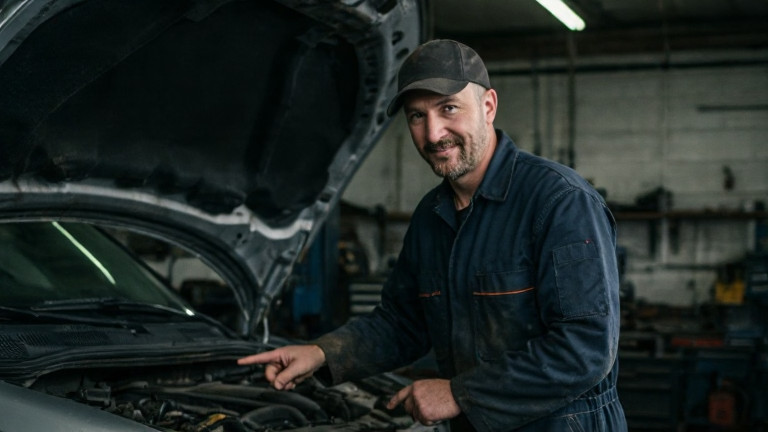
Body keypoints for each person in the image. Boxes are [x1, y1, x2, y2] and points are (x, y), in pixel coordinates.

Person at [238, 39, 627, 432]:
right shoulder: (431, 216)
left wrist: (460, 394)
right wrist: (323, 353)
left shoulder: (559, 202)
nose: (433, 133)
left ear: (488, 106)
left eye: (449, 109)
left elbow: (586, 349)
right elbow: (404, 322)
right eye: (416, 116)